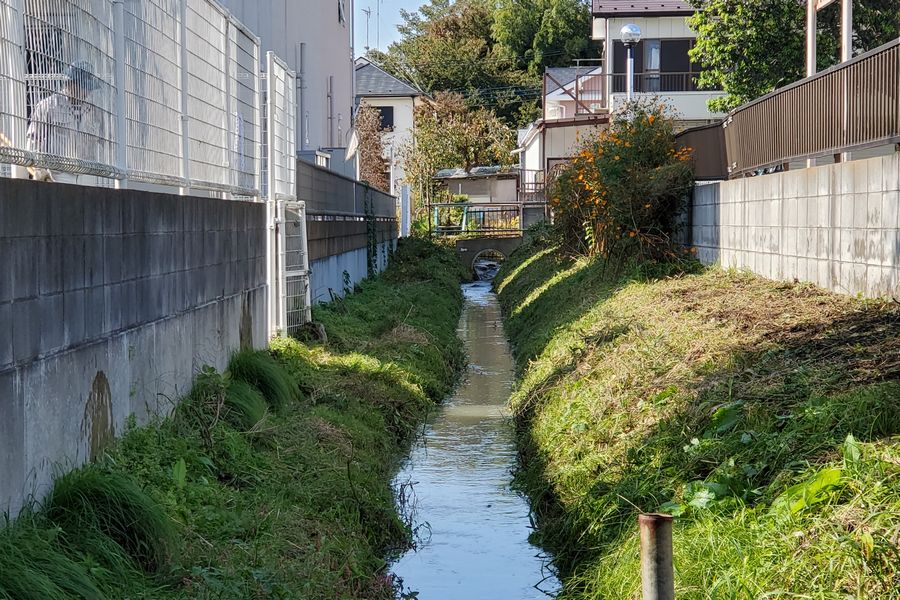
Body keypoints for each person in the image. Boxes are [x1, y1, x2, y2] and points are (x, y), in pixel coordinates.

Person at [26, 60, 104, 183]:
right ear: (71, 84)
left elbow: (104, 142)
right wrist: (40, 172)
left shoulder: (94, 111)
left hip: (88, 174)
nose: (87, 92)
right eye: (84, 87)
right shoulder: (48, 106)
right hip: (58, 174)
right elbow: (33, 142)